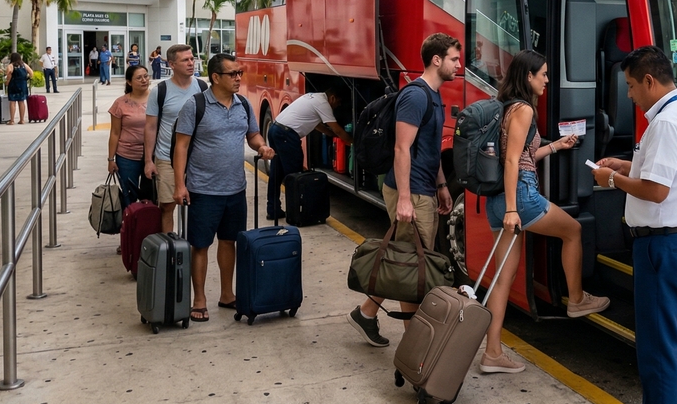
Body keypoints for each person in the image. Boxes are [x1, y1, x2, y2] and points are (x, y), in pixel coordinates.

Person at [593, 46, 677, 404]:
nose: (629, 96)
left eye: (630, 86)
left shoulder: (665, 123)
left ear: (649, 82)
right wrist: (628, 164)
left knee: (658, 347)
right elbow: (665, 175)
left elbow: (656, 191)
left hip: (661, 244)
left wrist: (611, 178)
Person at [482, 51, 609, 373]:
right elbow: (512, 161)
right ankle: (578, 299)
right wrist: (514, 208)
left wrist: (555, 147)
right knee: (573, 231)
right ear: (528, 76)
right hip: (519, 197)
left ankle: (492, 353)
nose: (547, 80)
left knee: (501, 280)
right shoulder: (523, 109)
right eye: (543, 74)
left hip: (497, 199)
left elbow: (522, 154)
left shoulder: (506, 107)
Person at [347, 33, 461, 347]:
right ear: (437, 60)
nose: (458, 64)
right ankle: (415, 347)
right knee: (414, 266)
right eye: (454, 58)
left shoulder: (435, 95)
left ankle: (366, 313)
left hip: (425, 188)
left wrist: (441, 185)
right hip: (409, 192)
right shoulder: (416, 96)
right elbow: (402, 149)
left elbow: (431, 148)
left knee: (406, 257)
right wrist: (406, 199)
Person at [171, 53, 273, 323]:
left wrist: (261, 146)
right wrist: (180, 184)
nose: (239, 78)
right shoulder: (196, 105)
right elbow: (181, 146)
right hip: (203, 189)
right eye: (233, 74)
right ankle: (200, 299)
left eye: (240, 73)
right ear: (216, 77)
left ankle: (227, 294)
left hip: (235, 188)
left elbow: (251, 134)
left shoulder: (243, 104)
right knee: (201, 245)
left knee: (229, 242)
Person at [144, 44, 207, 234]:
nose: (191, 63)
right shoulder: (160, 90)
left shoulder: (203, 88)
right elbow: (150, 126)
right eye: (185, 60)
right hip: (166, 158)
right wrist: (148, 161)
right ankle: (170, 251)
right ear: (171, 64)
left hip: (197, 160)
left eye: (192, 58)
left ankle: (193, 250)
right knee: (167, 206)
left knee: (199, 207)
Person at [265, 86, 352, 220]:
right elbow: (338, 130)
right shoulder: (324, 104)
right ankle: (297, 213)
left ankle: (273, 209)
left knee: (277, 173)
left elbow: (317, 125)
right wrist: (353, 142)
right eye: (338, 102)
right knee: (295, 175)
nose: (338, 106)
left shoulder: (313, 97)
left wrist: (330, 134)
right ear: (332, 98)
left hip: (276, 129)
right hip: (287, 136)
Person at [108, 65, 151, 207]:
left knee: (151, 198)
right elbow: (114, 132)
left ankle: (149, 228)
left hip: (152, 156)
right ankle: (130, 227)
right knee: (129, 197)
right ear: (129, 82)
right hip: (127, 157)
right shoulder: (120, 103)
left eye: (146, 76)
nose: (144, 80)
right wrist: (111, 159)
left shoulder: (157, 99)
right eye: (139, 78)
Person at [6, 52, 31, 125]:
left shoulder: (11, 65)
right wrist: (26, 78)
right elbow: (31, 73)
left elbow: (9, 74)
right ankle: (22, 120)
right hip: (23, 85)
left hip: (13, 84)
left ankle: (12, 120)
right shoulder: (24, 65)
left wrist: (7, 82)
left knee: (12, 102)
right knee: (21, 102)